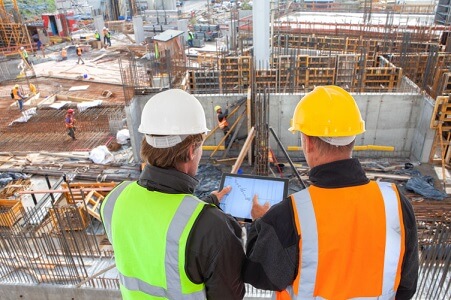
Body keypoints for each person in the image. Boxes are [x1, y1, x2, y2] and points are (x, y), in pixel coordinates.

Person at [243, 85, 419, 299]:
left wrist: (260, 223)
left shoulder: (290, 215)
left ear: (307, 143)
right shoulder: (396, 203)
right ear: (354, 138)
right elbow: (407, 286)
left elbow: (259, 273)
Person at [100, 89, 245, 299]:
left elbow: (157, 232)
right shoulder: (215, 228)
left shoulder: (114, 200)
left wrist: (209, 203)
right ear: (190, 151)